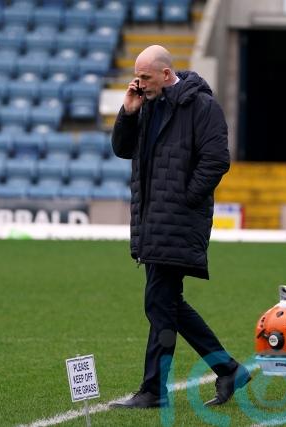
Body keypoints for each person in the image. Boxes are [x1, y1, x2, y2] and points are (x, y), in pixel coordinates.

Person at [109, 45, 251, 409]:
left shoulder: (202, 107)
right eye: (137, 77)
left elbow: (216, 160)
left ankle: (154, 390)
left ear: (166, 73)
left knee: (159, 303)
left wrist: (185, 198)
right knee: (167, 303)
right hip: (151, 221)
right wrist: (127, 113)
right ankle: (228, 369)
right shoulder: (145, 104)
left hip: (178, 220)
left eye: (145, 77)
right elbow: (122, 149)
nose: (139, 84)